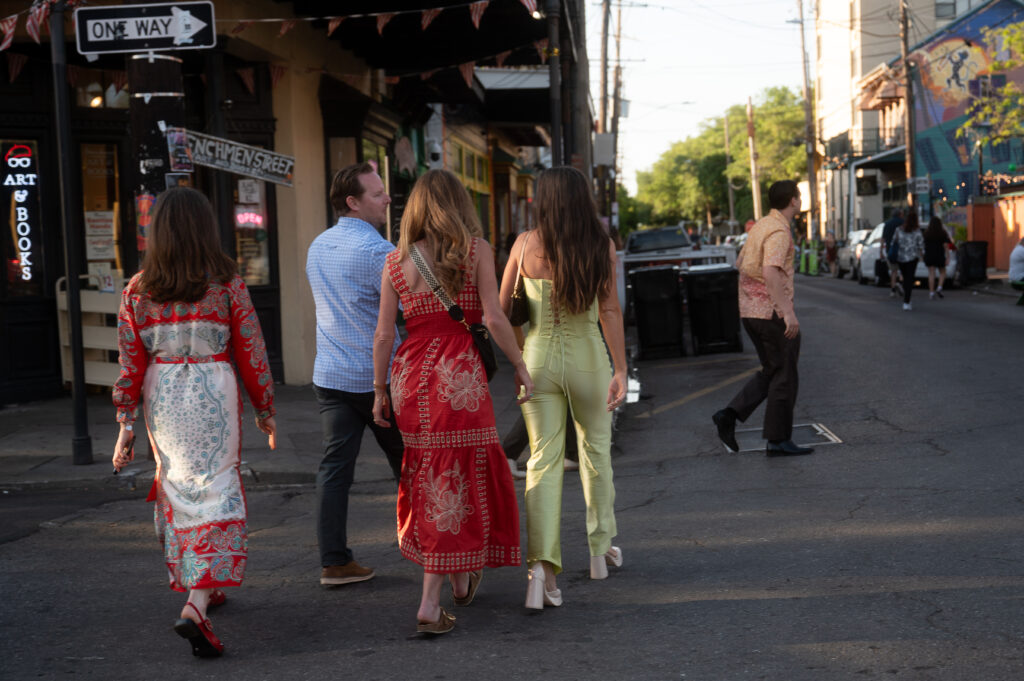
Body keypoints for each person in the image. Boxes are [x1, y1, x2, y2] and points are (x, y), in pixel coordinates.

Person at [111, 187, 277, 658]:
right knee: (218, 487)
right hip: (214, 391)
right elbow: (252, 350)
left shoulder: (137, 291)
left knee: (180, 488)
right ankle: (198, 604)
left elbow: (129, 364)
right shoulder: (227, 284)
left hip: (162, 396)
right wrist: (265, 408)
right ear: (206, 229)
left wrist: (125, 424)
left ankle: (202, 585)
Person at [371, 169, 533, 635]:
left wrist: (380, 390)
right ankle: (428, 602)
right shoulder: (476, 250)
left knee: (432, 472)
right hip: (456, 372)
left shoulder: (394, 262)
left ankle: (461, 582)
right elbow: (496, 317)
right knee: (458, 473)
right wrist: (520, 366)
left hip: (408, 372)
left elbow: (385, 334)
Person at [499, 166, 628, 611]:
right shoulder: (600, 245)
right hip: (588, 356)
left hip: (537, 360)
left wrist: (519, 361)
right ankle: (599, 551)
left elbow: (501, 313)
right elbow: (609, 310)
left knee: (542, 461)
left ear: (542, 200)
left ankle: (541, 573)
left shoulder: (523, 244)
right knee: (596, 452)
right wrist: (621, 369)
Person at [306, 163, 405, 587]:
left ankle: (334, 561)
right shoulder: (380, 254)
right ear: (353, 202)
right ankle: (435, 554)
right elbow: (405, 312)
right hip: (377, 379)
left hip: (330, 374)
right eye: (377, 193)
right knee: (411, 465)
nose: (387, 199)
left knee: (334, 470)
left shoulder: (317, 246)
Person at [712, 180, 813, 458]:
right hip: (770, 314)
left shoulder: (760, 226)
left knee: (773, 369)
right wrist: (787, 312)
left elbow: (740, 264)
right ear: (793, 200)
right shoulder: (779, 231)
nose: (800, 200)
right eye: (799, 196)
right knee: (785, 374)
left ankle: (729, 415)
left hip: (750, 312)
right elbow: (769, 271)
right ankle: (778, 440)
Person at [893, 211, 925, 310]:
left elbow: (893, 242)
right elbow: (921, 245)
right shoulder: (917, 231)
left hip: (901, 257)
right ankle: (907, 301)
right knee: (909, 279)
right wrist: (922, 255)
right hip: (912, 258)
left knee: (905, 277)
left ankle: (905, 294)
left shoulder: (899, 229)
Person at [923, 216, 952, 299]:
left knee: (931, 274)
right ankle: (939, 287)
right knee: (943, 272)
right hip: (939, 255)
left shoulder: (926, 233)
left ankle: (931, 292)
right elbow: (946, 246)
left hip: (929, 255)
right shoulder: (942, 233)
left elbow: (923, 244)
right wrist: (948, 257)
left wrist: (922, 255)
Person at [882, 209, 905, 298]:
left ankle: (893, 289)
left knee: (893, 271)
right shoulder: (903, 223)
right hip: (903, 250)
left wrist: (881, 251)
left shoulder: (887, 224)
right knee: (903, 270)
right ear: (900, 214)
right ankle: (901, 283)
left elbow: (883, 239)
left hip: (890, 250)